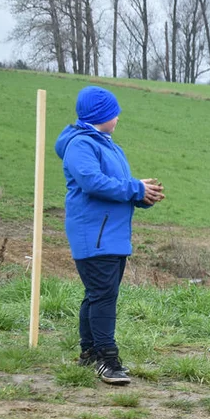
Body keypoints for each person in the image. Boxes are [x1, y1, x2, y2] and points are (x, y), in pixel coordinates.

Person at [55, 86, 165, 385]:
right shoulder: (81, 145)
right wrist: (135, 188)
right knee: (104, 296)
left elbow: (116, 184)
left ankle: (89, 352)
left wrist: (141, 195)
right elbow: (92, 183)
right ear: (100, 115)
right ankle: (107, 359)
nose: (117, 116)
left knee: (97, 295)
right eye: (113, 112)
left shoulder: (107, 144)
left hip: (111, 234)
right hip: (95, 234)